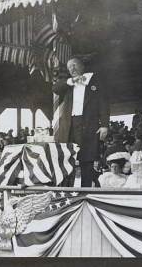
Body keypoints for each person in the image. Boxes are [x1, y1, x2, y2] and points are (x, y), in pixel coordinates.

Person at [52, 57, 109, 187]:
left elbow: (104, 103)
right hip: (70, 125)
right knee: (68, 157)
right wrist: (71, 81)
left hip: (88, 124)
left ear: (82, 66)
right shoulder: (68, 84)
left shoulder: (95, 81)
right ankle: (67, 191)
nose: (72, 69)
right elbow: (55, 88)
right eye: (69, 67)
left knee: (87, 159)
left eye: (74, 65)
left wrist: (105, 125)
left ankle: (86, 191)